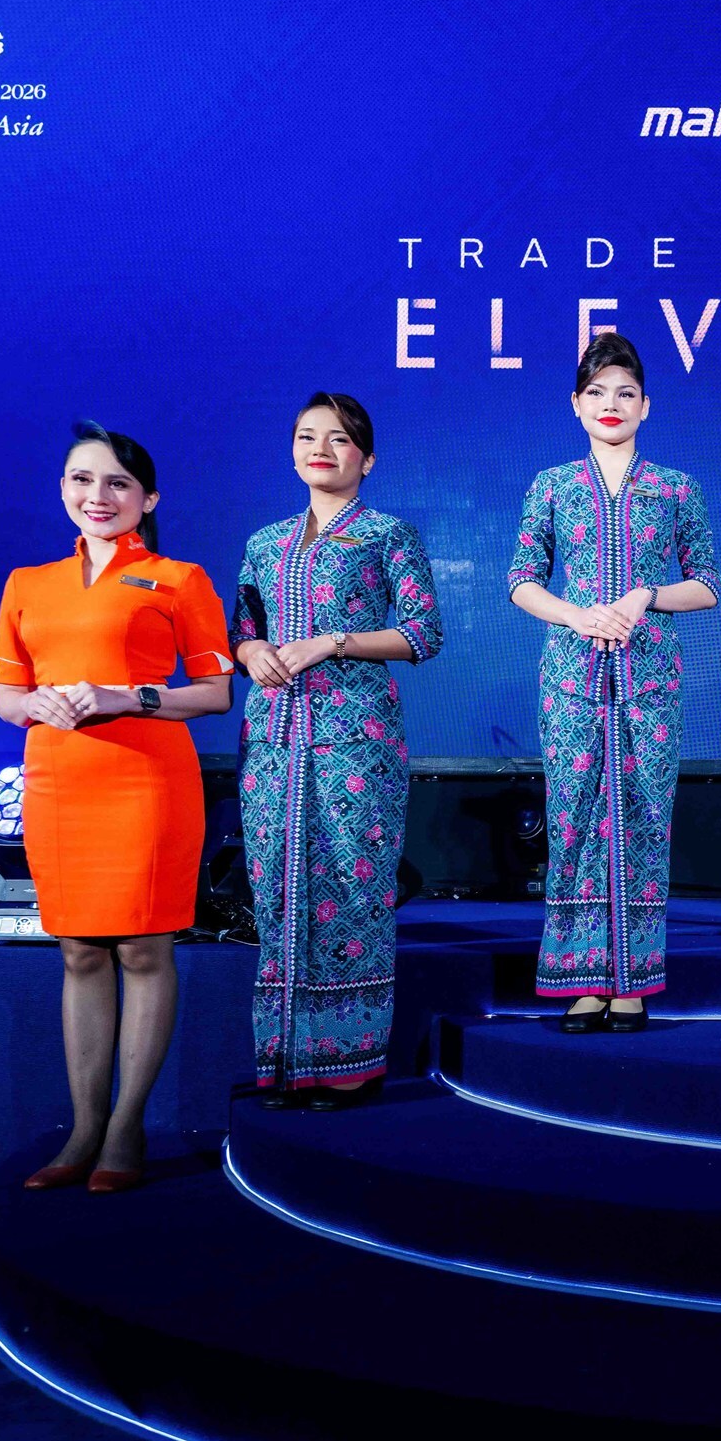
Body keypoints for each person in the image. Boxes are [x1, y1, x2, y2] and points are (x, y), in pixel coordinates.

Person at [0, 423, 234, 1192]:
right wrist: (38, 705)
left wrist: (127, 696)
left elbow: (215, 693)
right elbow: (7, 699)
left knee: (143, 951)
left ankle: (127, 1129)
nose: (97, 496)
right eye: (81, 479)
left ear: (148, 498)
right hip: (58, 780)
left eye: (117, 483)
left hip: (146, 780)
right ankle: (83, 1129)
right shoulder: (27, 583)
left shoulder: (178, 578)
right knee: (79, 952)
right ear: (62, 488)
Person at [230, 393, 445, 1106]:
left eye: (339, 439)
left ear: (367, 459)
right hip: (273, 740)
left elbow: (423, 634)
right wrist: (251, 651)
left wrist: (334, 641)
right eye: (306, 436)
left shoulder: (388, 535)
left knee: (354, 890)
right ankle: (284, 1060)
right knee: (276, 888)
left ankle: (350, 1061)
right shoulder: (265, 542)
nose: (320, 449)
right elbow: (242, 629)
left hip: (356, 739)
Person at [507, 332, 720, 1029]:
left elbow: (707, 584)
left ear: (646, 406)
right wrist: (576, 614)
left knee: (644, 818)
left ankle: (632, 980)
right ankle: (582, 976)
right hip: (570, 675)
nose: (611, 404)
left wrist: (646, 597)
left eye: (626, 393)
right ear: (575, 403)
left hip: (650, 676)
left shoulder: (676, 487)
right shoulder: (552, 486)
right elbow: (520, 581)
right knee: (572, 818)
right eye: (597, 392)